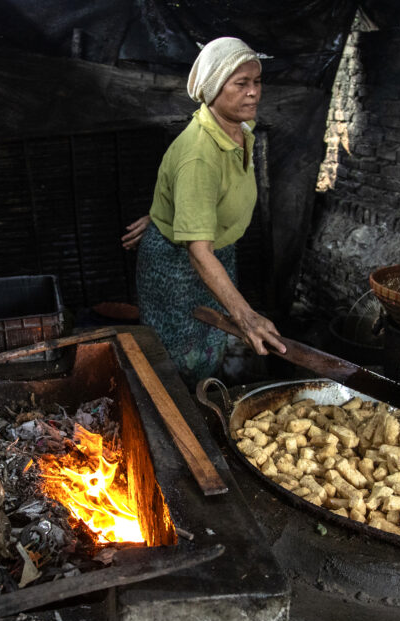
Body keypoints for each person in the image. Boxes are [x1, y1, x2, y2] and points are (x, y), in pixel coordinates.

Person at [123, 37, 286, 385]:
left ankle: (200, 401)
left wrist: (164, 211)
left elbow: (199, 196)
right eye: (241, 84)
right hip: (180, 268)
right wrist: (246, 317)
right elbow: (197, 251)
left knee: (208, 346)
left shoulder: (239, 130)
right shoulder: (200, 154)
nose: (253, 92)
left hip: (215, 253)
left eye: (257, 82)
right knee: (178, 361)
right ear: (213, 89)